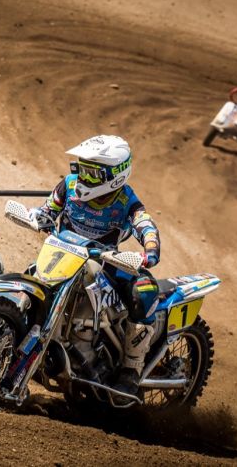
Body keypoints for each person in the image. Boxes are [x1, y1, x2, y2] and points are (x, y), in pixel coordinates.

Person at [29, 134, 161, 404]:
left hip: (104, 262)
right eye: (81, 168)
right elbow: (48, 209)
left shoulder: (126, 200)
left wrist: (150, 250)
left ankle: (131, 369)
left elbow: (145, 224)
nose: (83, 177)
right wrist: (39, 217)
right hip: (61, 255)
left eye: (92, 172)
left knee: (145, 289)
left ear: (115, 176)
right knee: (30, 280)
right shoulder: (68, 185)